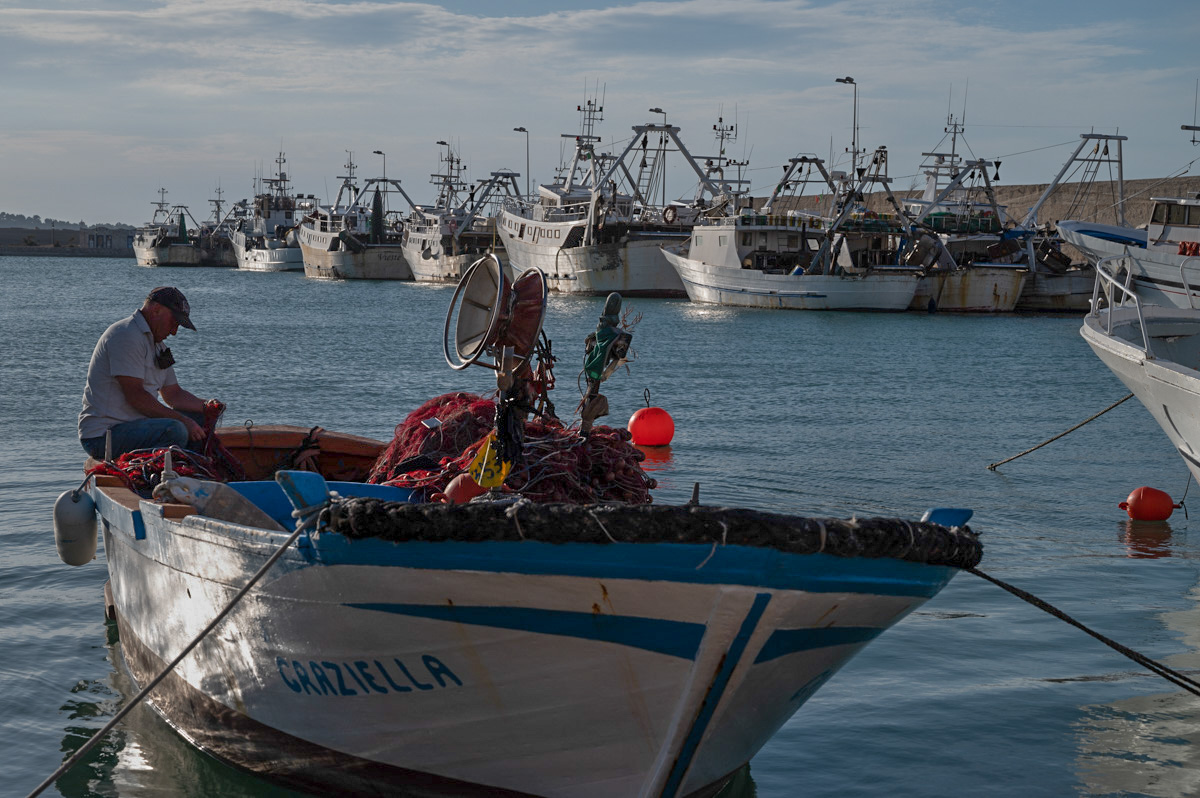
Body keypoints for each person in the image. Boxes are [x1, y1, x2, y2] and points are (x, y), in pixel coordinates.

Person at [78, 287, 220, 460]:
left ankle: (190, 471)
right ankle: (167, 475)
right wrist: (184, 421)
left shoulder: (158, 345)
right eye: (174, 322)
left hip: (137, 428)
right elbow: (136, 396)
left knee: (200, 420)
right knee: (176, 430)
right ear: (156, 310)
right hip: (102, 436)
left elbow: (173, 394)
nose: (174, 332)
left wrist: (210, 407)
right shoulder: (126, 335)